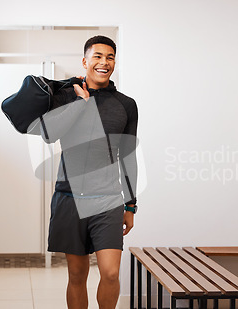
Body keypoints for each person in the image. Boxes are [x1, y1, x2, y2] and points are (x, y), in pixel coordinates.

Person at [43, 35, 138, 309]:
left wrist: (131, 204)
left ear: (114, 63)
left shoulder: (126, 105)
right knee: (77, 275)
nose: (103, 62)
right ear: (85, 61)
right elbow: (50, 135)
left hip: (108, 198)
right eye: (97, 56)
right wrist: (80, 104)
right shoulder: (65, 96)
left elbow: (128, 157)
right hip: (69, 198)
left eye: (109, 57)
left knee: (110, 272)